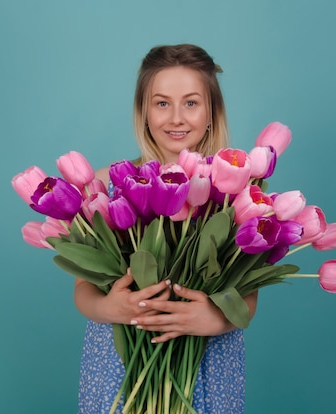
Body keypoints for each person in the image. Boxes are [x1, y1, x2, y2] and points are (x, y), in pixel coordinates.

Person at [74, 44, 258, 413]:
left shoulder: (235, 193)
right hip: (120, 366)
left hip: (205, 364)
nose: (176, 118)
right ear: (143, 112)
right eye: (161, 103)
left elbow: (248, 293)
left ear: (212, 112)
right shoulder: (104, 186)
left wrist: (218, 319)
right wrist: (109, 308)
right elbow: (83, 291)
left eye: (191, 103)